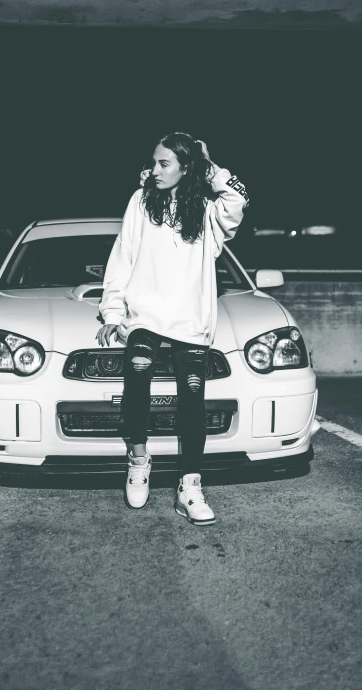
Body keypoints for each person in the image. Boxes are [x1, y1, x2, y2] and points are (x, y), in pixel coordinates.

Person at [95, 132, 249, 526]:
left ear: (186, 167)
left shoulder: (207, 210)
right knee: (138, 375)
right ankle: (139, 460)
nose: (154, 170)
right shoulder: (142, 201)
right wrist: (113, 312)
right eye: (155, 161)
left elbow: (238, 198)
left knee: (192, 398)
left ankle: (189, 487)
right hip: (145, 316)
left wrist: (208, 166)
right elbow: (123, 256)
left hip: (189, 320)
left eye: (165, 163)